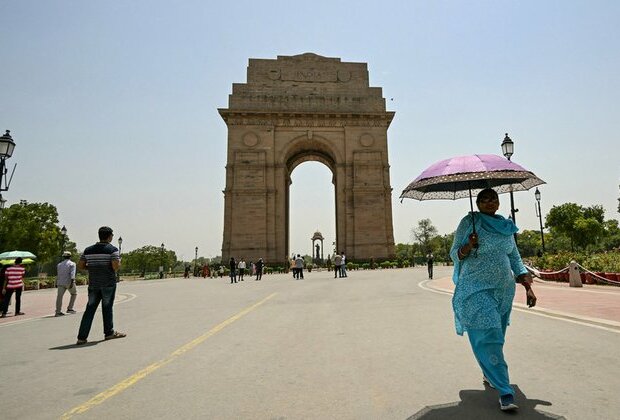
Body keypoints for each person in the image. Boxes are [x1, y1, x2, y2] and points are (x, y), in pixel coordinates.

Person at [450, 189, 537, 411]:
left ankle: (489, 371)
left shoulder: (506, 226)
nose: (489, 203)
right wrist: (468, 245)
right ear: (477, 203)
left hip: (503, 290)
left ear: (498, 203)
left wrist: (527, 286)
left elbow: (514, 257)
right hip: (476, 288)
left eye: (493, 199)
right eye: (484, 200)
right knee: (489, 335)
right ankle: (505, 392)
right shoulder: (469, 223)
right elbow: (454, 254)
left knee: (496, 336)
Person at [75, 226, 126, 345]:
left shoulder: (88, 250)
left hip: (94, 284)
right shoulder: (112, 250)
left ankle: (82, 337)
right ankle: (109, 333)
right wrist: (119, 262)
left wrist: (93, 267)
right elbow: (115, 267)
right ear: (109, 236)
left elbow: (81, 266)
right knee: (107, 308)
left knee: (90, 309)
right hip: (108, 283)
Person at [55, 251, 77, 317]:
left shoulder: (59, 264)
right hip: (68, 282)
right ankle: (70, 308)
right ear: (70, 256)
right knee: (74, 294)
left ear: (63, 257)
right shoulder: (72, 264)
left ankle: (58, 312)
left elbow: (58, 274)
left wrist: (56, 282)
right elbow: (72, 274)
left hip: (60, 282)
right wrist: (72, 282)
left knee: (59, 297)